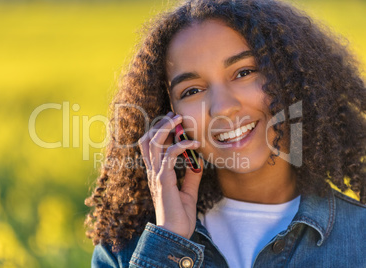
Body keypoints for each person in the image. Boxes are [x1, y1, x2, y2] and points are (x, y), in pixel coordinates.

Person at [85, 0, 366, 267]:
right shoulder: (127, 252)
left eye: (244, 72)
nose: (223, 108)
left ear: (290, 77)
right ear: (170, 117)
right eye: (192, 91)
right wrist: (169, 244)